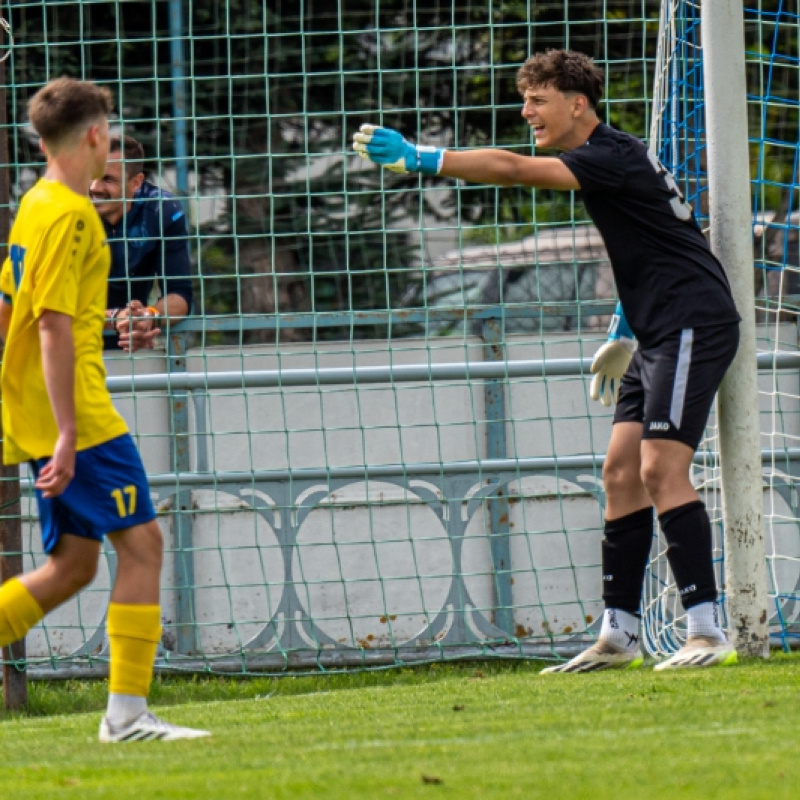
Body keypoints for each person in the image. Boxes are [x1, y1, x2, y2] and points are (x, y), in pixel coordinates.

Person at [353, 49, 742, 671]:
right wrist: (624, 325)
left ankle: (706, 630)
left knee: (658, 469)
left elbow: (510, 169)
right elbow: (661, 242)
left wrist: (422, 159)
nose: (525, 109)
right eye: (525, 97)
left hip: (692, 322)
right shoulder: (613, 155)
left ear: (577, 104)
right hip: (657, 328)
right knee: (620, 472)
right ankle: (618, 635)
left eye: (537, 99)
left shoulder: (607, 156)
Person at [0, 76, 209, 741]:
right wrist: (65, 432)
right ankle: (126, 714)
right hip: (80, 414)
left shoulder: (33, 204)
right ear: (96, 135)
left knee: (74, 567)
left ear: (40, 140)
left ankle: (128, 713)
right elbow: (54, 326)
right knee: (144, 545)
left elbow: (12, 308)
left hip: (43, 407)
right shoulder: (71, 215)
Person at [89, 135, 193, 352]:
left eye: (107, 179)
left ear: (136, 183)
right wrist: (117, 318)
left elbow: (180, 295)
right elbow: (55, 308)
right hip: (70, 343)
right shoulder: (67, 209)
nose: (94, 187)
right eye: (90, 175)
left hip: (132, 341)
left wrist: (148, 318)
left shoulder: (161, 211)